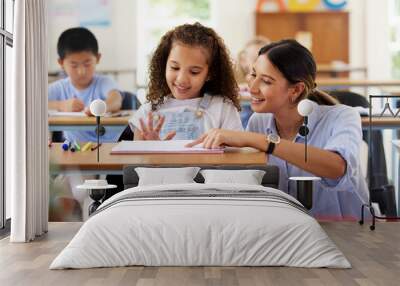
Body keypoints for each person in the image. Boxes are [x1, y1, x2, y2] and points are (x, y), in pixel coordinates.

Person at [188, 39, 368, 220]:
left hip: (346, 234)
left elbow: (337, 168)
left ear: (296, 90)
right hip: (288, 233)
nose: (252, 86)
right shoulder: (259, 121)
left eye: (266, 81)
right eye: (253, 74)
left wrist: (258, 140)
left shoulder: (342, 116)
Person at [129, 22, 243, 140]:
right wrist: (151, 149)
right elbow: (139, 157)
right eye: (175, 68)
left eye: (194, 72)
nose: (182, 79)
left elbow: (236, 154)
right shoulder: (148, 112)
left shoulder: (223, 109)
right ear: (164, 65)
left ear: (210, 73)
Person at [48, 27, 123, 143]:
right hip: (74, 150)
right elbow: (34, 104)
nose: (81, 71)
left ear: (97, 58)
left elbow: (116, 99)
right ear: (61, 63)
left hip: (106, 148)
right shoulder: (60, 87)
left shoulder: (104, 82)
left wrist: (101, 108)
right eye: (74, 65)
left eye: (87, 64)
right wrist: (60, 105)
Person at [235, 36, 271, 129]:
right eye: (255, 59)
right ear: (244, 61)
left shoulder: (270, 82)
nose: (260, 63)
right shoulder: (241, 84)